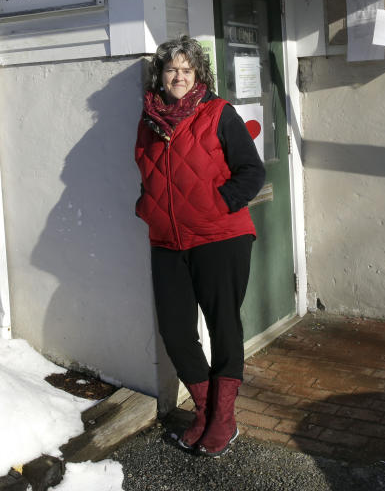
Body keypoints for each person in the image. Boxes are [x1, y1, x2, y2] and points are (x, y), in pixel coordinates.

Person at [134, 35, 265, 457]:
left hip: (220, 238)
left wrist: (217, 204)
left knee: (223, 325)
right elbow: (148, 171)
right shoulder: (149, 119)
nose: (178, 76)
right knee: (175, 329)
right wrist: (147, 206)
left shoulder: (219, 113)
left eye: (186, 70)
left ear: (198, 75)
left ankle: (223, 419)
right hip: (167, 240)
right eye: (172, 69)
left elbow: (251, 171)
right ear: (161, 74)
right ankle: (207, 411)